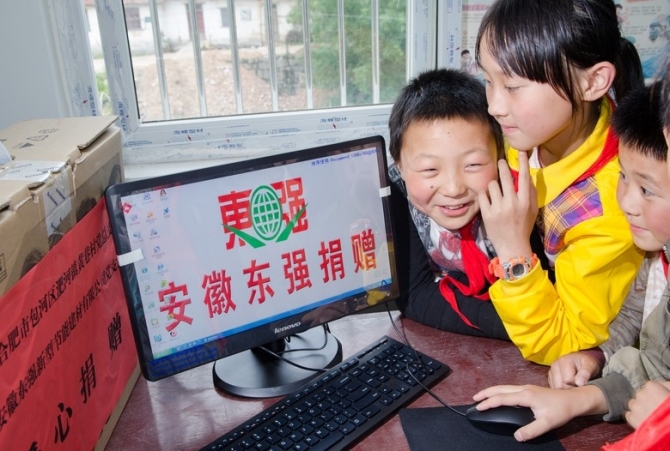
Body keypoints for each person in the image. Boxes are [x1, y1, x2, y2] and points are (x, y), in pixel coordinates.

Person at [470, 81, 670, 445]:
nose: (626, 202)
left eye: (647, 190)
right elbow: (648, 344)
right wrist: (592, 366)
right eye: (623, 176)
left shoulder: (604, 217)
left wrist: (666, 426)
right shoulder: (659, 256)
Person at [473, 0, 645, 365]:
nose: (494, 106)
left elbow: (567, 343)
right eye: (488, 81)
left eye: (513, 86)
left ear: (592, 82)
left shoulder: (613, 205)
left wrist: (513, 250)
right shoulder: (526, 129)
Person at [389, 68, 520, 339]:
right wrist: (519, 327)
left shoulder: (519, 195)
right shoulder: (395, 195)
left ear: (501, 155)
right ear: (400, 166)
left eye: (473, 165)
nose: (453, 189)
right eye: (429, 170)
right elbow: (415, 295)